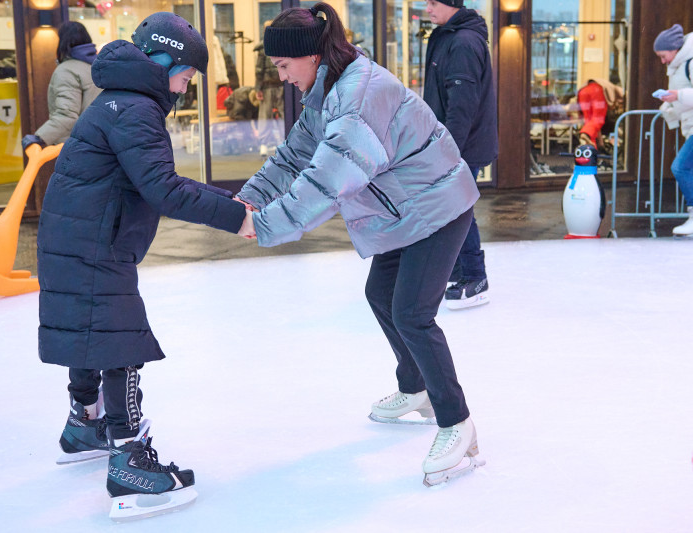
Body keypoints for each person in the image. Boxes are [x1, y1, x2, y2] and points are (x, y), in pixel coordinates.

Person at [235, 3, 484, 487]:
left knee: (412, 311)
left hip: (438, 205)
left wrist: (264, 225)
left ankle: (457, 422)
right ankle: (416, 389)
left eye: (284, 67)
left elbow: (327, 181)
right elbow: (294, 157)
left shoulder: (356, 98)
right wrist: (248, 198)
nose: (282, 77)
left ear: (310, 56)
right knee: (380, 295)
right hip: (404, 209)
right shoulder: (329, 88)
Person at [36, 12, 251, 520]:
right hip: (93, 246)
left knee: (95, 331)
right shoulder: (135, 108)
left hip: (79, 238)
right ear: (163, 62)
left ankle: (84, 424)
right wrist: (238, 215)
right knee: (121, 343)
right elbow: (164, 189)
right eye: (186, 75)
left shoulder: (118, 99)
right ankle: (129, 459)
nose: (186, 87)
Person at [422, 0, 497, 310]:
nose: (426, 8)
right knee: (450, 210)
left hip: (462, 147)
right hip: (453, 144)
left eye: (432, 2)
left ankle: (474, 277)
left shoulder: (464, 42)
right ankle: (456, 273)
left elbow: (461, 105)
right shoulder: (448, 35)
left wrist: (446, 153)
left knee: (457, 209)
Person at [22, 22, 101, 150]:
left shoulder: (67, 71)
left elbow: (67, 115)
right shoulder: (98, 67)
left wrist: (39, 138)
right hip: (101, 143)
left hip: (77, 146)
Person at [654, 23, 693, 237]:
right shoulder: (679, 65)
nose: (662, 61)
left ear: (674, 49)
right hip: (691, 127)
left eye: (663, 55)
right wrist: (670, 104)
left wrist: (676, 96)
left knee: (680, 167)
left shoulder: (689, 63)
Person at [255, 20, 285, 158]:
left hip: (281, 85)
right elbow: (259, 70)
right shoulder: (262, 49)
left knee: (284, 115)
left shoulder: (283, 45)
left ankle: (285, 142)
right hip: (267, 86)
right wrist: (258, 88)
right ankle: (263, 144)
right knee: (265, 116)